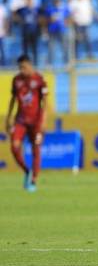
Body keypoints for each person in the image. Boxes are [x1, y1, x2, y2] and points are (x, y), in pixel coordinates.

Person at [5, 55, 48, 192]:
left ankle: (34, 181)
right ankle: (26, 170)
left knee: (36, 150)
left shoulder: (39, 80)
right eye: (19, 68)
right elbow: (13, 99)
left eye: (23, 67)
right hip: (21, 121)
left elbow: (45, 102)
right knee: (14, 146)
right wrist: (8, 117)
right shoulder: (16, 80)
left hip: (36, 121)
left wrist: (44, 120)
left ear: (30, 65)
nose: (21, 70)